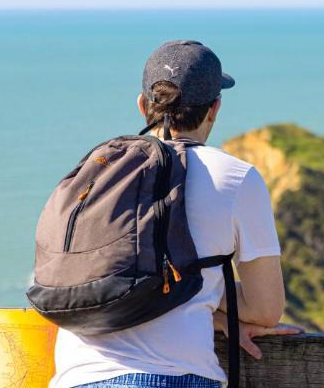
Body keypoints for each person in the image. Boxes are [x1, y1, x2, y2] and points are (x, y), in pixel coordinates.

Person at [50, 40, 301, 388]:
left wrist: (201, 306)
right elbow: (265, 309)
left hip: (76, 378)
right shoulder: (235, 178)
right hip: (173, 378)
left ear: (142, 105)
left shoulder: (99, 172)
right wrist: (205, 305)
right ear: (214, 109)